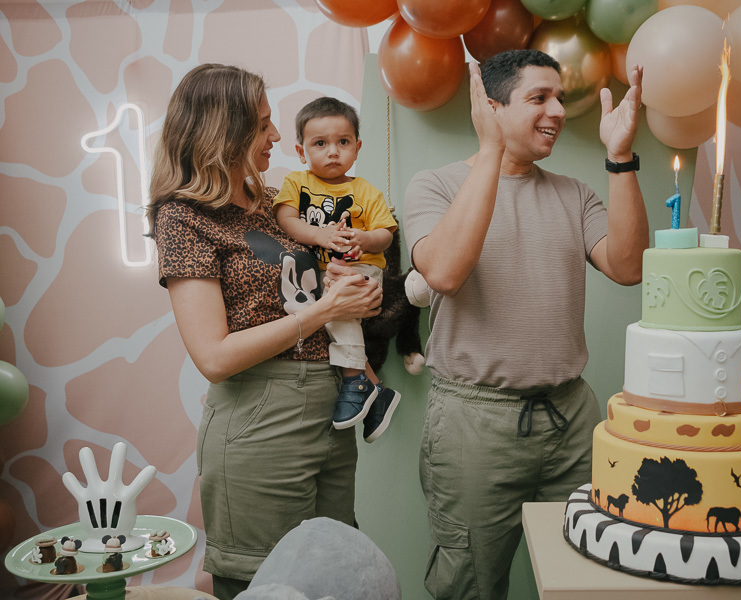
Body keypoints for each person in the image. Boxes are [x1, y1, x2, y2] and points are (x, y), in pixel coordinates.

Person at [403, 49, 648, 600]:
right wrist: (491, 151)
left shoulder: (573, 193)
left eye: (559, 97)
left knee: (586, 575)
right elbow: (442, 271)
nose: (558, 110)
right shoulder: (435, 187)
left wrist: (621, 155)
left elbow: (629, 267)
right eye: (539, 98)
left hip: (572, 418)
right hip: (474, 423)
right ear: (490, 108)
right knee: (469, 582)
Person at [148, 63, 382, 600]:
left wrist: (354, 294)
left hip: (328, 408)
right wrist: (325, 310)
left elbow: (311, 292)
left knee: (335, 577)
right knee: (265, 586)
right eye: (262, 125)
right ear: (221, 132)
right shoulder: (182, 217)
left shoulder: (276, 205)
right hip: (259, 420)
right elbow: (213, 356)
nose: (277, 135)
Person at [273, 97, 400, 441]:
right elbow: (285, 219)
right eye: (320, 143)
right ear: (301, 152)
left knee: (335, 308)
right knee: (327, 317)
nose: (333, 152)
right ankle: (376, 390)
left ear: (357, 147)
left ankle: (354, 380)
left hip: (360, 268)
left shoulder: (366, 191)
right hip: (323, 275)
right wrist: (320, 235)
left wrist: (364, 238)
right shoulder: (297, 183)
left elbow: (386, 234)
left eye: (343, 142)